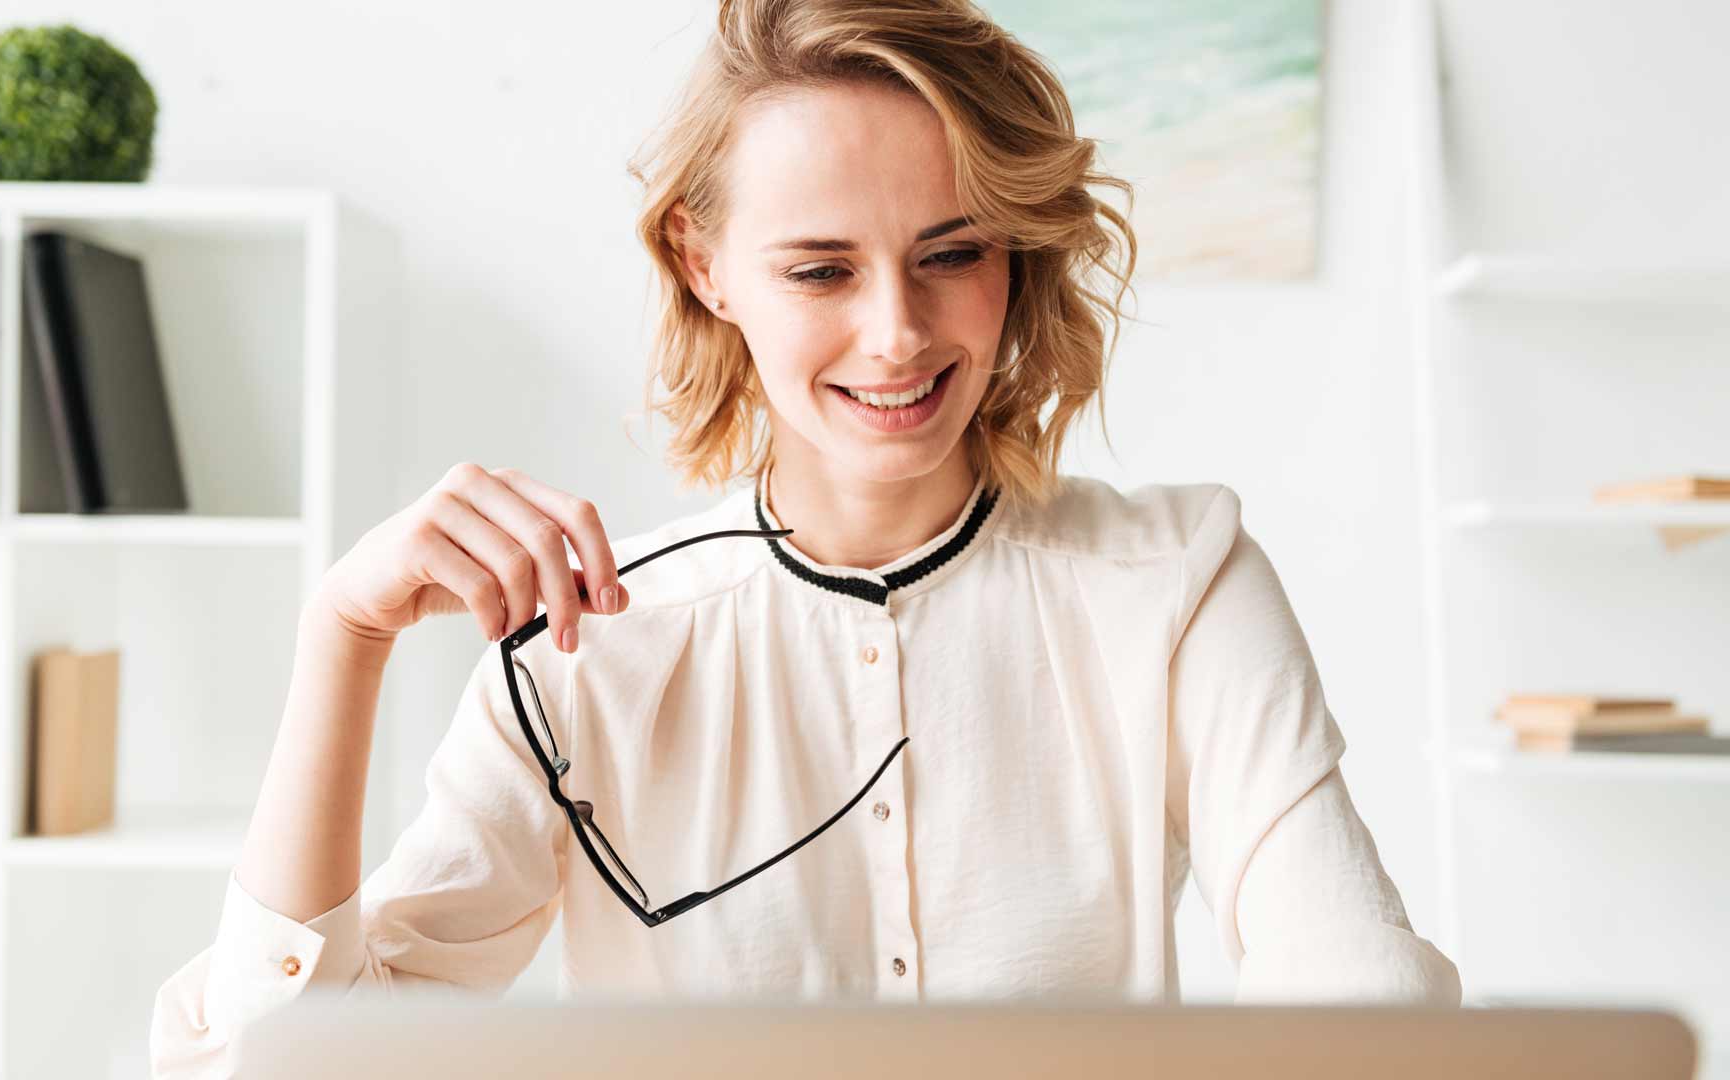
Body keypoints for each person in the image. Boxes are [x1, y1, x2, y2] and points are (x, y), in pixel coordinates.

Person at [151, 0, 1460, 1073]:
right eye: (822, 270)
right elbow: (288, 1063)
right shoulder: (586, 649)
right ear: (704, 263)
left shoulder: (1177, 584)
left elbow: (1365, 1009)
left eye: (952, 253)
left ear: (1018, 257)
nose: (896, 333)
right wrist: (346, 634)